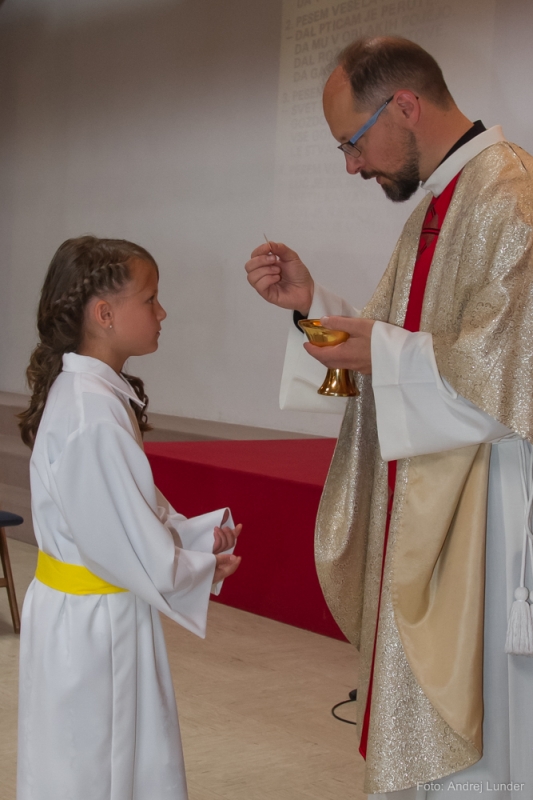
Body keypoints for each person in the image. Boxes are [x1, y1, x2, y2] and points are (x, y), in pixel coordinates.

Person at [246, 37, 533, 800]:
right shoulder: (438, 203)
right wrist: (310, 307)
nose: (351, 165)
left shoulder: (510, 196)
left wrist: (387, 352)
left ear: (403, 105)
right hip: (435, 488)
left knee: (495, 725)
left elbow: (507, 368)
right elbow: (393, 338)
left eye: (352, 142)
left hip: (491, 503)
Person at [17, 236, 242, 800]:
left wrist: (194, 538)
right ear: (105, 314)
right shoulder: (92, 412)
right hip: (94, 628)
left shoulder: (93, 395)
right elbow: (124, 541)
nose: (162, 312)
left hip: (88, 610)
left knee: (97, 761)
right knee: (98, 768)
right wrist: (193, 566)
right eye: (150, 299)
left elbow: (126, 512)